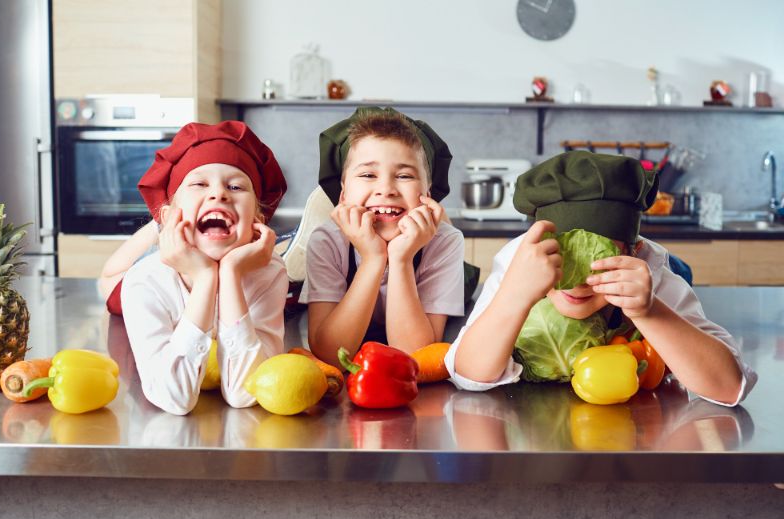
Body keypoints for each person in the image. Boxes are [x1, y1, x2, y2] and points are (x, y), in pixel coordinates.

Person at [446, 151, 756, 406]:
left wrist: (649, 311)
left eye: (598, 261)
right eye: (564, 259)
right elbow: (468, 373)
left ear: (635, 252)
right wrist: (514, 295)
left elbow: (730, 387)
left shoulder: (651, 271)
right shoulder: (521, 260)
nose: (577, 283)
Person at [120, 121, 288, 415]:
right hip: (133, 278)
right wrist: (206, 276)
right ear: (171, 216)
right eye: (199, 184)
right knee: (112, 276)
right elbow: (175, 398)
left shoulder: (270, 272)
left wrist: (231, 274)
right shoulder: (144, 281)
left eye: (235, 186)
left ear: (258, 220)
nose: (219, 194)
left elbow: (244, 392)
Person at [300, 107, 465, 365]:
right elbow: (330, 354)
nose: (386, 189)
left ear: (428, 194)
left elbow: (415, 357)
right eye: (368, 175)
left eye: (404, 176)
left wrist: (401, 259)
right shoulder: (327, 240)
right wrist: (373, 258)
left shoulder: (445, 242)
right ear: (343, 195)